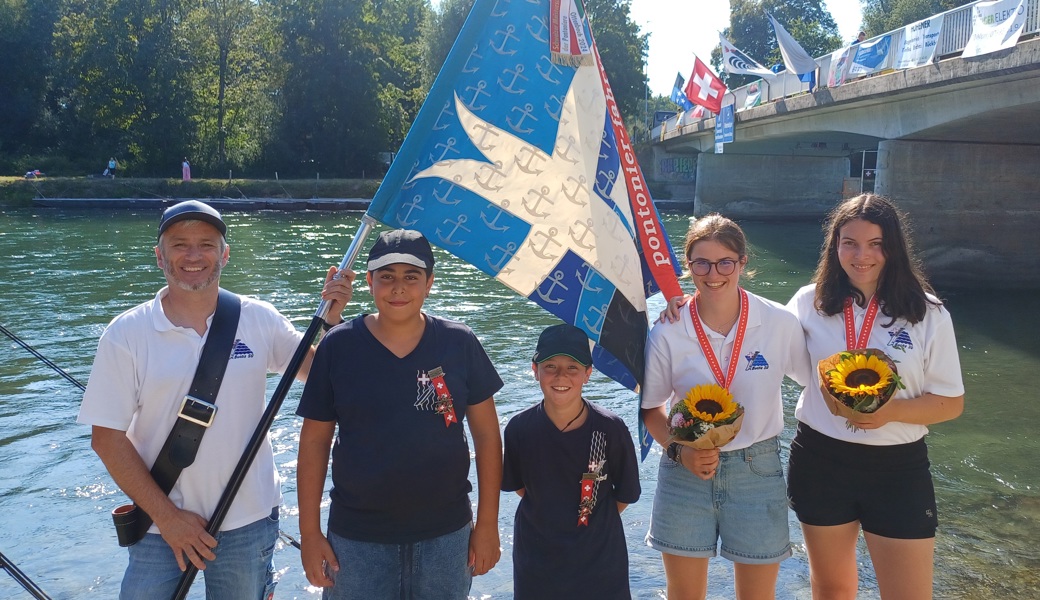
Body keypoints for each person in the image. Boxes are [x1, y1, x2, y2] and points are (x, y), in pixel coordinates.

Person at [78, 200, 353, 599]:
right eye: (179, 244)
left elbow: (320, 373)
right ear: (159, 256)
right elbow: (107, 439)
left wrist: (332, 322)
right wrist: (169, 519)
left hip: (248, 520)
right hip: (158, 527)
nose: (194, 256)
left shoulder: (259, 318)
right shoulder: (125, 335)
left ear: (224, 254)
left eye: (206, 244)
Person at [296, 229, 504, 599]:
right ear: (369, 282)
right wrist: (310, 533)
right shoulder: (338, 345)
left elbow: (487, 436)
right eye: (387, 277)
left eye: (411, 277)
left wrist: (488, 522)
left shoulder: (460, 342)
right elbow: (314, 442)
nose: (398, 288)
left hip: (446, 535)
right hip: (357, 540)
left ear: (429, 283)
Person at [786, 193, 964, 599]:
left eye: (875, 244)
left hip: (897, 470)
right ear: (835, 246)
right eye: (849, 242)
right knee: (832, 590)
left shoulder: (927, 313)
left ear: (894, 248)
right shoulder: (806, 303)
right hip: (821, 460)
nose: (861, 255)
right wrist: (688, 306)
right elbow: (768, 348)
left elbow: (951, 402)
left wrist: (891, 412)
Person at [644, 214, 810, 600]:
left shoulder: (779, 321)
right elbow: (651, 409)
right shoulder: (669, 328)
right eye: (701, 263)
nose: (713, 273)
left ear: (743, 264)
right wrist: (680, 451)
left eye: (725, 263)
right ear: (689, 267)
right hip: (684, 469)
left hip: (757, 469)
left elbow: (815, 383)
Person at [502, 323, 641, 599]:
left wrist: (588, 519)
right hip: (537, 560)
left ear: (588, 373)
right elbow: (520, 486)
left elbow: (624, 495)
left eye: (573, 368)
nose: (560, 376)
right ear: (535, 370)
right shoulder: (519, 428)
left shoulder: (611, 429)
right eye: (550, 366)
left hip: (601, 560)